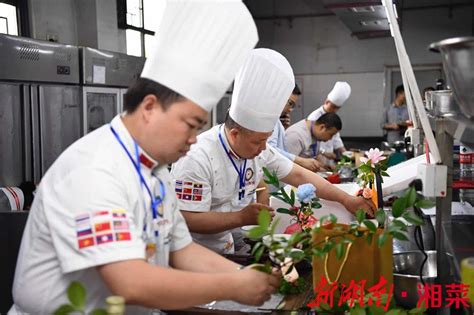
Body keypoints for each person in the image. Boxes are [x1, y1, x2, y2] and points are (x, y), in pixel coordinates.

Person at [9, 2, 281, 314]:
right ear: (150, 108)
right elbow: (130, 282)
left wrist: (244, 276)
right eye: (190, 125)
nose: (193, 140)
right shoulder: (94, 170)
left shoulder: (156, 172)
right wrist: (234, 286)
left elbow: (182, 250)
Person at [171, 48, 375, 255]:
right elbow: (188, 219)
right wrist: (241, 217)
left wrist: (346, 199)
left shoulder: (257, 149)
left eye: (266, 140)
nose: (263, 149)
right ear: (234, 134)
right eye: (258, 142)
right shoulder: (197, 157)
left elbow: (299, 174)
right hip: (194, 254)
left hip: (230, 246)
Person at [267, 84, 322, 172]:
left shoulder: (276, 120)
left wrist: (283, 128)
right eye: (290, 104)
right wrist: (301, 161)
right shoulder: (270, 118)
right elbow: (270, 150)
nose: (289, 110)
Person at [307, 81, 351, 163]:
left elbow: (336, 138)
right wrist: (324, 152)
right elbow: (310, 143)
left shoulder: (332, 117)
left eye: (337, 108)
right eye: (333, 107)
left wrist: (345, 153)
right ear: (327, 102)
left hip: (329, 159)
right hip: (316, 159)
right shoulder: (314, 117)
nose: (335, 110)